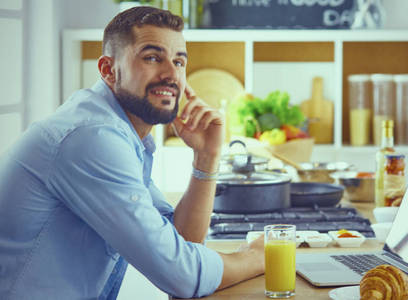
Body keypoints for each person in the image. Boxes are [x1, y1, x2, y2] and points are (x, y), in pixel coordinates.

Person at [0, 6, 264, 299]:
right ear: (108, 70)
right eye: (152, 58)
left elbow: (181, 242)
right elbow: (182, 276)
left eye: (179, 61)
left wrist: (206, 157)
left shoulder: (120, 134)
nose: (171, 74)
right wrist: (258, 257)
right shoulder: (92, 138)